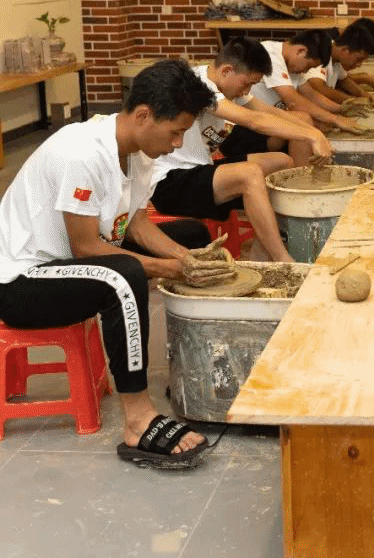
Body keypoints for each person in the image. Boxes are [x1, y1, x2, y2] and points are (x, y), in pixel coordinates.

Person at [0, 61, 225, 469]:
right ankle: (137, 419)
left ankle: (189, 368)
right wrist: (166, 269)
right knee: (125, 276)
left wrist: (185, 257)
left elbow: (135, 223)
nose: (178, 144)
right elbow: (87, 248)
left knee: (192, 235)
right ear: (143, 115)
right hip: (20, 281)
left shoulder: (138, 151)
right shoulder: (81, 153)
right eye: (175, 132)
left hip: (66, 264)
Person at [150, 39, 334, 263]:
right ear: (226, 71)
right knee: (250, 174)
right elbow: (254, 120)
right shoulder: (198, 85)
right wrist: (312, 136)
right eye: (246, 84)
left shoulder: (227, 86)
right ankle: (283, 260)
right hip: (169, 182)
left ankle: (260, 251)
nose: (246, 91)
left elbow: (268, 112)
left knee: (282, 163)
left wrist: (313, 131)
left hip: (199, 170)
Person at [220, 29, 359, 160]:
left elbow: (312, 95)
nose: (306, 72)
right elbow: (293, 101)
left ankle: (302, 167)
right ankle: (302, 172)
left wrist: (342, 109)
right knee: (304, 120)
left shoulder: (292, 66)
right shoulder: (270, 55)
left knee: (312, 122)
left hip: (262, 121)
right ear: (301, 51)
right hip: (242, 126)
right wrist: (333, 120)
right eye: (308, 66)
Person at [302, 19, 374, 104]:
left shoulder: (336, 57)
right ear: (345, 50)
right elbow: (319, 88)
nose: (359, 64)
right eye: (358, 60)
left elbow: (344, 80)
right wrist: (353, 100)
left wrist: (363, 94)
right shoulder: (320, 51)